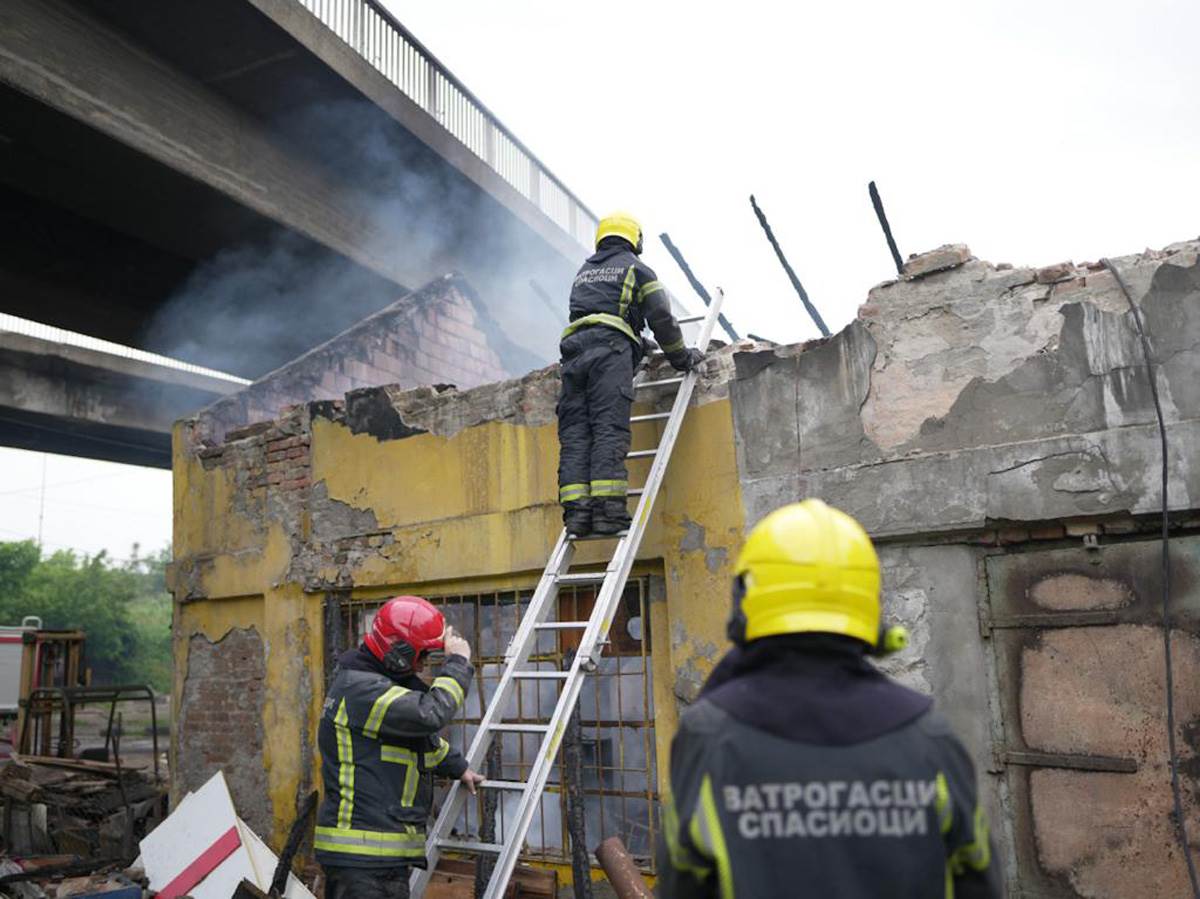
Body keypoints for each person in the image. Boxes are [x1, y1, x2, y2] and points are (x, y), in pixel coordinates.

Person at [657, 499, 1002, 898]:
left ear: (746, 600)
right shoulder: (929, 735)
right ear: (868, 602)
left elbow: (682, 881)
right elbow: (976, 877)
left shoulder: (710, 734)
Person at [315, 595, 483, 899]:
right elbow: (430, 714)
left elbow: (413, 743)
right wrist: (458, 661)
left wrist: (458, 767)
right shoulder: (363, 689)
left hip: (378, 857)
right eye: (419, 657)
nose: (420, 666)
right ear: (398, 653)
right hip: (361, 859)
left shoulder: (372, 686)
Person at [557, 211, 704, 538]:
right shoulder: (637, 269)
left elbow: (596, 316)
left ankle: (577, 515)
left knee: (577, 433)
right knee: (608, 427)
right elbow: (661, 318)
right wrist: (681, 357)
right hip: (608, 354)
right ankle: (609, 513)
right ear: (635, 239)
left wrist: (636, 342)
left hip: (573, 355)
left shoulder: (584, 273)